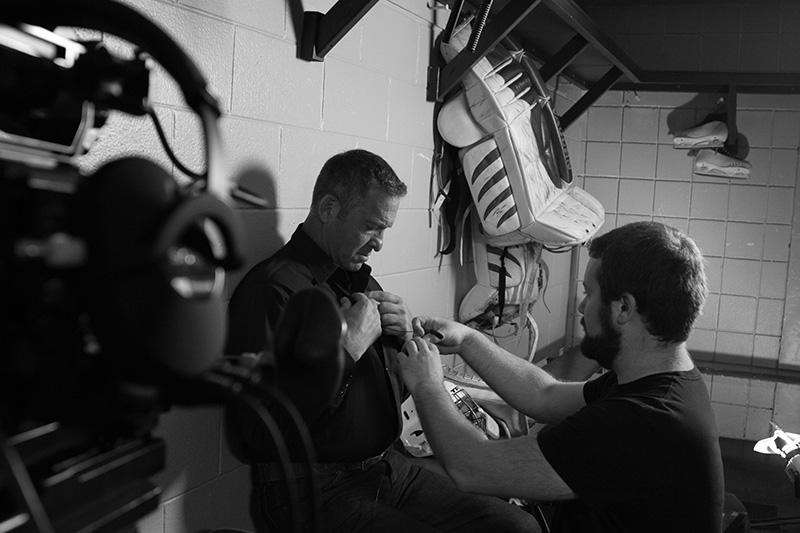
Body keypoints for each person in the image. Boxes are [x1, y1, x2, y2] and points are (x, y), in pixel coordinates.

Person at [225, 149, 540, 532]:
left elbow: (393, 395)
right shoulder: (275, 290)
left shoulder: (360, 283)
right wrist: (346, 351)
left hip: (387, 469)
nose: (379, 243)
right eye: (371, 227)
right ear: (328, 209)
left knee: (517, 528)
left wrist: (405, 339)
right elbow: (256, 434)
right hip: (314, 490)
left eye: (384, 229)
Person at [398, 221, 725, 532]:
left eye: (590, 294)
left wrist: (427, 384)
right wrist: (469, 340)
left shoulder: (641, 422)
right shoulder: (659, 382)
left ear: (624, 308)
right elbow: (545, 395)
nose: (582, 307)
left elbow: (472, 468)